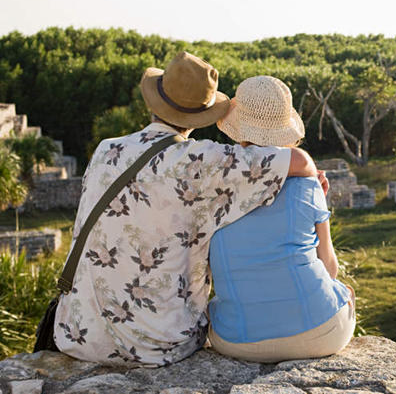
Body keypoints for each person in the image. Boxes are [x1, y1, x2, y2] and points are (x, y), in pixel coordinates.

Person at [53, 52, 324, 366]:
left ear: (155, 99)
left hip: (77, 335)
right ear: (205, 113)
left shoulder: (105, 150)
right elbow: (301, 162)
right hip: (161, 345)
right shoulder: (203, 161)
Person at [207, 75, 355, 363]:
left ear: (238, 128)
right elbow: (329, 269)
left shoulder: (214, 184)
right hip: (320, 334)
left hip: (236, 341)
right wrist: (318, 200)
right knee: (344, 291)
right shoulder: (308, 182)